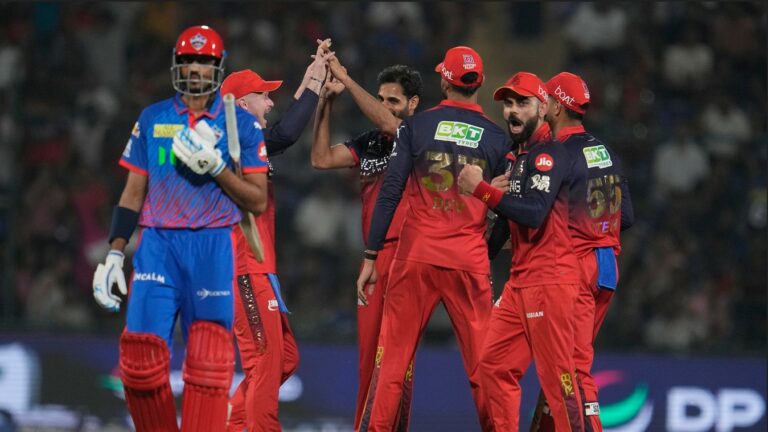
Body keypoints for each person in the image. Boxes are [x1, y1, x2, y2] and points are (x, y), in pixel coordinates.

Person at [91, 25, 269, 432]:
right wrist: (115, 252)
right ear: (177, 64)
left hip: (212, 246)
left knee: (209, 365)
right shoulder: (153, 118)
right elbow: (132, 193)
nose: (196, 69)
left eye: (204, 62)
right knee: (138, 364)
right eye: (189, 61)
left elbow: (257, 201)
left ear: (217, 67)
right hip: (157, 245)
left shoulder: (241, 125)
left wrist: (217, 167)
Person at [357, 46, 509, 431]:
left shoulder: (416, 127)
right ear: (479, 83)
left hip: (416, 256)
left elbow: (390, 193)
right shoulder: (497, 138)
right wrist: (487, 251)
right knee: (484, 368)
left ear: (444, 81)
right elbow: (508, 208)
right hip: (469, 260)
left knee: (392, 364)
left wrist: (371, 255)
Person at [457, 71, 586, 432]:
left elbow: (533, 213)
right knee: (493, 366)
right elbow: (506, 223)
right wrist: (479, 254)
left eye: (522, 103)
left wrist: (481, 190)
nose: (512, 111)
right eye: (508, 103)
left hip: (550, 280)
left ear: (543, 108)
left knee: (558, 380)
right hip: (520, 283)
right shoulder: (518, 158)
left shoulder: (550, 154)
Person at [221, 41, 331, 431]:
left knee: (284, 358)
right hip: (244, 268)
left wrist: (313, 79)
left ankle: (228, 423)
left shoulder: (247, 140)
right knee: (265, 361)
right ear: (240, 104)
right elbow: (286, 133)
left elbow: (283, 132)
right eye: (263, 96)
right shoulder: (232, 138)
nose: (270, 103)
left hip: (260, 270)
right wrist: (313, 84)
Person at [311, 60, 422, 431]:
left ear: (413, 104)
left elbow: (391, 125)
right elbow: (321, 158)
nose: (386, 106)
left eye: (394, 100)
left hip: (408, 256)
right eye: (381, 99)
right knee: (369, 358)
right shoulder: (371, 142)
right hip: (373, 259)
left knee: (396, 359)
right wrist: (325, 103)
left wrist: (345, 77)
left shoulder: (418, 135)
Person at [529, 72, 634, 432]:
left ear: (557, 106)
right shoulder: (606, 152)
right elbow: (627, 217)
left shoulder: (559, 154)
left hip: (574, 267)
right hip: (607, 267)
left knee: (570, 366)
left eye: (546, 98)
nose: (542, 104)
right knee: (568, 364)